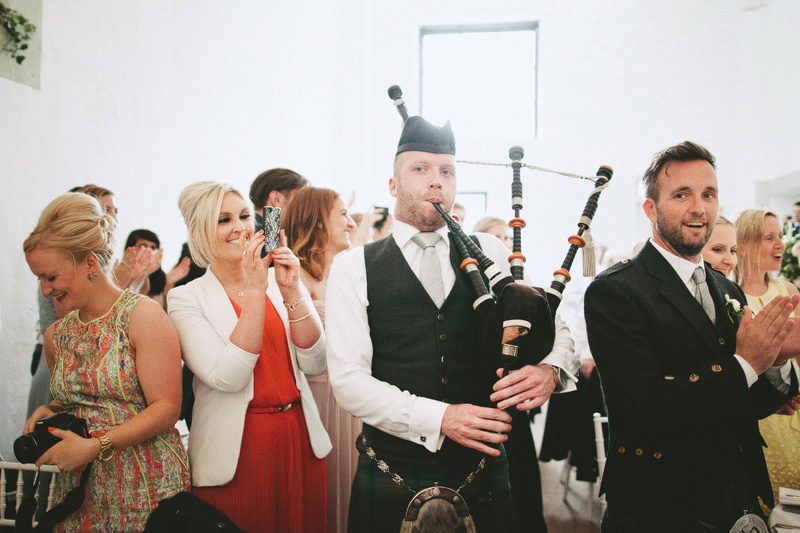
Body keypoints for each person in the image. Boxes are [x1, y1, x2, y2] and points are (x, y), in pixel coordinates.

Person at [326, 116, 578, 532]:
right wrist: (441, 418)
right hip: (392, 464)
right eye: (420, 169)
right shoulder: (354, 267)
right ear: (393, 185)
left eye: (447, 171)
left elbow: (553, 328)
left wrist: (550, 369)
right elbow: (349, 382)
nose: (436, 181)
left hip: (482, 465)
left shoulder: (491, 251)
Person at [585, 141, 798, 532]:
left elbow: (746, 405)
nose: (699, 208)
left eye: (708, 194)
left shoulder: (727, 289)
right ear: (651, 209)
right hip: (658, 503)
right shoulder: (615, 291)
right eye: (681, 195)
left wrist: (777, 357)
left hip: (735, 494)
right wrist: (745, 363)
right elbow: (642, 408)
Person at [168, 181, 330, 532]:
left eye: (244, 216)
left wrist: (291, 291)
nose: (240, 227)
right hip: (237, 450)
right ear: (199, 232)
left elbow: (315, 362)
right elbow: (228, 377)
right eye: (223, 220)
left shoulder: (281, 278)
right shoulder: (186, 298)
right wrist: (257, 289)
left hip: (298, 436)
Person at [23, 192, 190, 531]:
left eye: (51, 277)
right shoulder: (58, 335)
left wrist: (95, 446)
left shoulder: (142, 317)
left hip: (144, 489)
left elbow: (166, 407)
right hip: (80, 493)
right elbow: (81, 402)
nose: (44, 290)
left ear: (89, 263)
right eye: (39, 278)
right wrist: (51, 409)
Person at [283, 186, 360, 533]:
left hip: (353, 401)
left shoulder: (350, 274)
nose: (351, 222)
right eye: (342, 214)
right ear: (317, 223)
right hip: (315, 400)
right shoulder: (292, 278)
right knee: (323, 497)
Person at [734, 209, 800, 509]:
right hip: (757, 416)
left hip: (793, 407)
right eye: (769, 238)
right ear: (745, 244)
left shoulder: (787, 290)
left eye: (780, 237)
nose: (780, 245)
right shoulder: (732, 296)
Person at [124, 229, 191, 309]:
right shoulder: (121, 273)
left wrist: (167, 284)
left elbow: (167, 311)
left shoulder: (162, 278)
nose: (149, 251)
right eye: (144, 246)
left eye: (153, 247)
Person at [249, 167, 309, 232]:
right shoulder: (261, 235)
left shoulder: (256, 229)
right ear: (276, 199)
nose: (306, 209)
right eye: (301, 200)